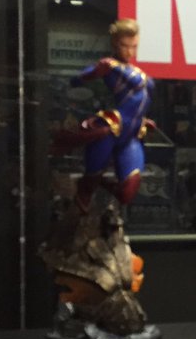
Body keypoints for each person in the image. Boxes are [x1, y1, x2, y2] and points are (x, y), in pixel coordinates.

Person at [58, 18, 154, 211]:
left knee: (128, 192)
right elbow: (76, 80)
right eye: (125, 46)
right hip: (112, 129)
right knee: (88, 185)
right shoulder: (110, 66)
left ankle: (101, 186)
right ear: (115, 44)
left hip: (132, 134)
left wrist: (142, 120)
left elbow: (139, 100)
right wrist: (94, 73)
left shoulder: (135, 71)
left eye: (134, 46)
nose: (130, 51)